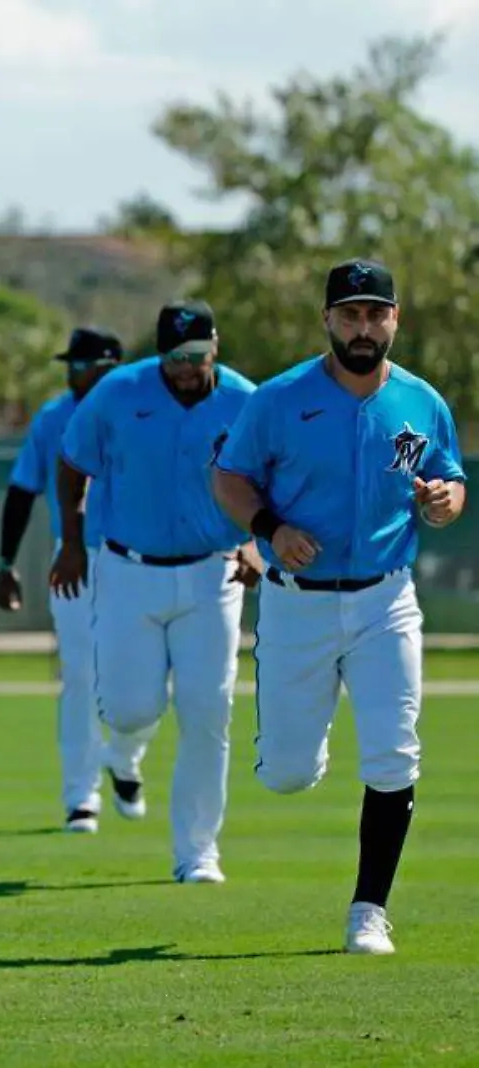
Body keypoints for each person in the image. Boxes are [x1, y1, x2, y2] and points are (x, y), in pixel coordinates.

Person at [213, 258, 464, 954]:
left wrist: (445, 502)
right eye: (349, 314)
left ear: (394, 319)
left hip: (387, 599)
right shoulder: (279, 398)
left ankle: (368, 911)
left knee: (393, 754)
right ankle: (300, 744)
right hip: (298, 605)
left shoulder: (420, 400)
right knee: (288, 774)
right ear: (327, 319)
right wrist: (269, 530)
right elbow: (229, 478)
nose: (362, 326)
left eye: (374, 312)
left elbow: (447, 480)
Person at [54, 300, 258, 885]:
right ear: (159, 354)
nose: (188, 369)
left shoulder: (247, 400)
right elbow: (72, 466)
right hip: (126, 570)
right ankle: (124, 752)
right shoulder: (118, 392)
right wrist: (72, 543)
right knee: (128, 707)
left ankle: (198, 851)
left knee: (207, 710)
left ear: (215, 346)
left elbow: (273, 478)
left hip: (212, 572)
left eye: (197, 356)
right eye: (175, 358)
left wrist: (254, 543)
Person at [0, 327, 150, 833]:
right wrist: (5, 563)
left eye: (82, 365)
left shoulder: (149, 404)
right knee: (80, 677)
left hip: (146, 560)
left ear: (110, 367)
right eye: (71, 366)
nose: (72, 375)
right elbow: (22, 489)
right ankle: (81, 796)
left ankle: (125, 759)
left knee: (150, 679)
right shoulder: (54, 416)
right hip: (75, 560)